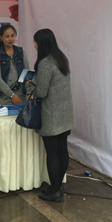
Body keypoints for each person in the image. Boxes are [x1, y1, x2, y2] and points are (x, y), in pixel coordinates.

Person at [31, 29, 75, 202]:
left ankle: (54, 189)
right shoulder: (61, 58)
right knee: (62, 150)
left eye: (35, 41)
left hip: (51, 115)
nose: (34, 45)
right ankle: (58, 186)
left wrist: (31, 85)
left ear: (41, 43)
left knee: (52, 154)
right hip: (65, 114)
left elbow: (41, 92)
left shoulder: (45, 63)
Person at [0, 24, 30, 106]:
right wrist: (12, 95)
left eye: (12, 36)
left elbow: (26, 73)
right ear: (1, 38)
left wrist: (28, 92)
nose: (10, 39)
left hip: (21, 95)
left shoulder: (21, 51)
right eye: (7, 36)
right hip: (4, 96)